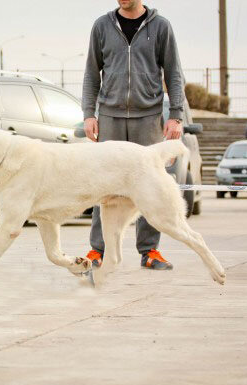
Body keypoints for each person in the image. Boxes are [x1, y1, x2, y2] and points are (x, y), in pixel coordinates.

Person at [82, 0, 184, 270]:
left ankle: (150, 251)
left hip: (148, 116)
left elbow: (174, 73)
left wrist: (176, 115)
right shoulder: (101, 26)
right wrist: (89, 114)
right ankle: (97, 250)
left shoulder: (161, 27)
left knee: (149, 185)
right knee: (102, 186)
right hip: (110, 116)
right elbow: (92, 74)